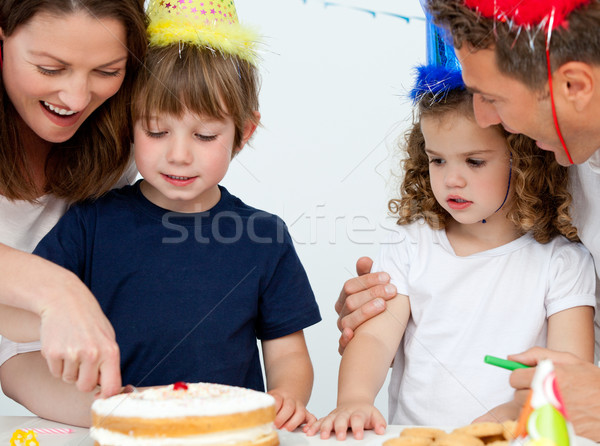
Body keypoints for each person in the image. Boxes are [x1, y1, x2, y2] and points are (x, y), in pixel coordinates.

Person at [0, 0, 322, 429]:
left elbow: (286, 352)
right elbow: (17, 326)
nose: (179, 155)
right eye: (156, 131)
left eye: (205, 135)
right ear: (130, 125)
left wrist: (287, 398)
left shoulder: (265, 236)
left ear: (244, 132)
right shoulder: (90, 220)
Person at [336, 0, 600, 440]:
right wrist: (354, 399)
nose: (483, 115)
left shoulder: (561, 261)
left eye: (475, 161)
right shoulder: (414, 245)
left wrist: (504, 418)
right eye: (437, 160)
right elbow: (375, 338)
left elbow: (567, 374)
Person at [0, 0, 147, 399]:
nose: (77, 98)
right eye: (50, 68)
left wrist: (147, 412)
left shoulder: (127, 147)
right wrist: (57, 290)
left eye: (107, 71)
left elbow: (17, 349)